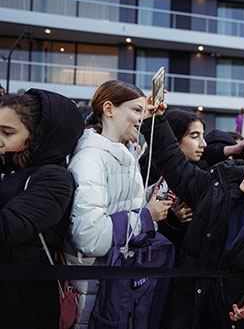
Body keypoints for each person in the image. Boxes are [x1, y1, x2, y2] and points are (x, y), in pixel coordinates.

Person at [141, 97, 244, 329]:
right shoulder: (218, 189)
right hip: (185, 308)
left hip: (229, 318)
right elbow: (176, 166)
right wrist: (157, 121)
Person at [65, 80, 172, 329]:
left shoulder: (123, 154)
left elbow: (119, 205)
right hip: (92, 294)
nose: (140, 119)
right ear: (109, 109)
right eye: (136, 110)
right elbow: (88, 236)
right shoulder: (90, 158)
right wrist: (147, 216)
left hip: (114, 287)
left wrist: (152, 196)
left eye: (143, 113)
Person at [0, 90, 83, 328]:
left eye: (8, 132)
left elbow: (8, 228)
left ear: (38, 137)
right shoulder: (9, 168)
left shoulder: (54, 178)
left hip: (26, 306)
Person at [140, 108, 208, 252]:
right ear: (173, 139)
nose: (203, 144)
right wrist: (171, 218)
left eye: (203, 136)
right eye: (195, 136)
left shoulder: (203, 171)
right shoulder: (147, 174)